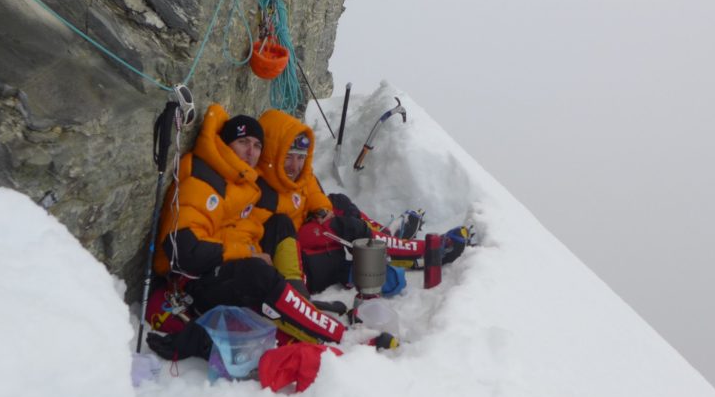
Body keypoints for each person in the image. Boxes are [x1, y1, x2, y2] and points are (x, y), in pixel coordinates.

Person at [145, 104, 346, 361]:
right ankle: (333, 333)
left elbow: (239, 229)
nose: (251, 152)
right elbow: (182, 252)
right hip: (193, 281)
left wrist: (252, 251)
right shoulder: (204, 178)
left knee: (279, 224)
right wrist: (246, 254)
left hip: (226, 264)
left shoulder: (240, 180)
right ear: (227, 144)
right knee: (257, 273)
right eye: (243, 142)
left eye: (257, 146)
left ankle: (298, 303)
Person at [257, 109, 474, 295]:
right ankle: (420, 250)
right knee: (345, 227)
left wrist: (322, 210)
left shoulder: (298, 175)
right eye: (288, 156)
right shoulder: (261, 192)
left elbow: (312, 191)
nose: (294, 165)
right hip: (298, 260)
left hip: (316, 245)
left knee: (338, 202)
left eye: (300, 157)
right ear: (272, 153)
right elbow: (269, 238)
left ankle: (380, 238)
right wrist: (322, 226)